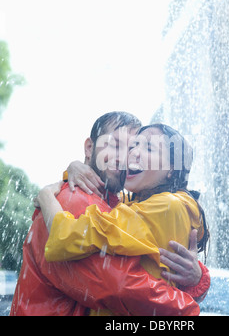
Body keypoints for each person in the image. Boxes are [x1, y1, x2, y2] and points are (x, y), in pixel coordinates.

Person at [11, 112, 210, 316]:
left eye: (132, 147)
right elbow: (119, 287)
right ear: (89, 148)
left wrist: (198, 278)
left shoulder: (118, 204)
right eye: (115, 145)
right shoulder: (77, 200)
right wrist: (186, 308)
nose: (127, 156)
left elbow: (153, 256)